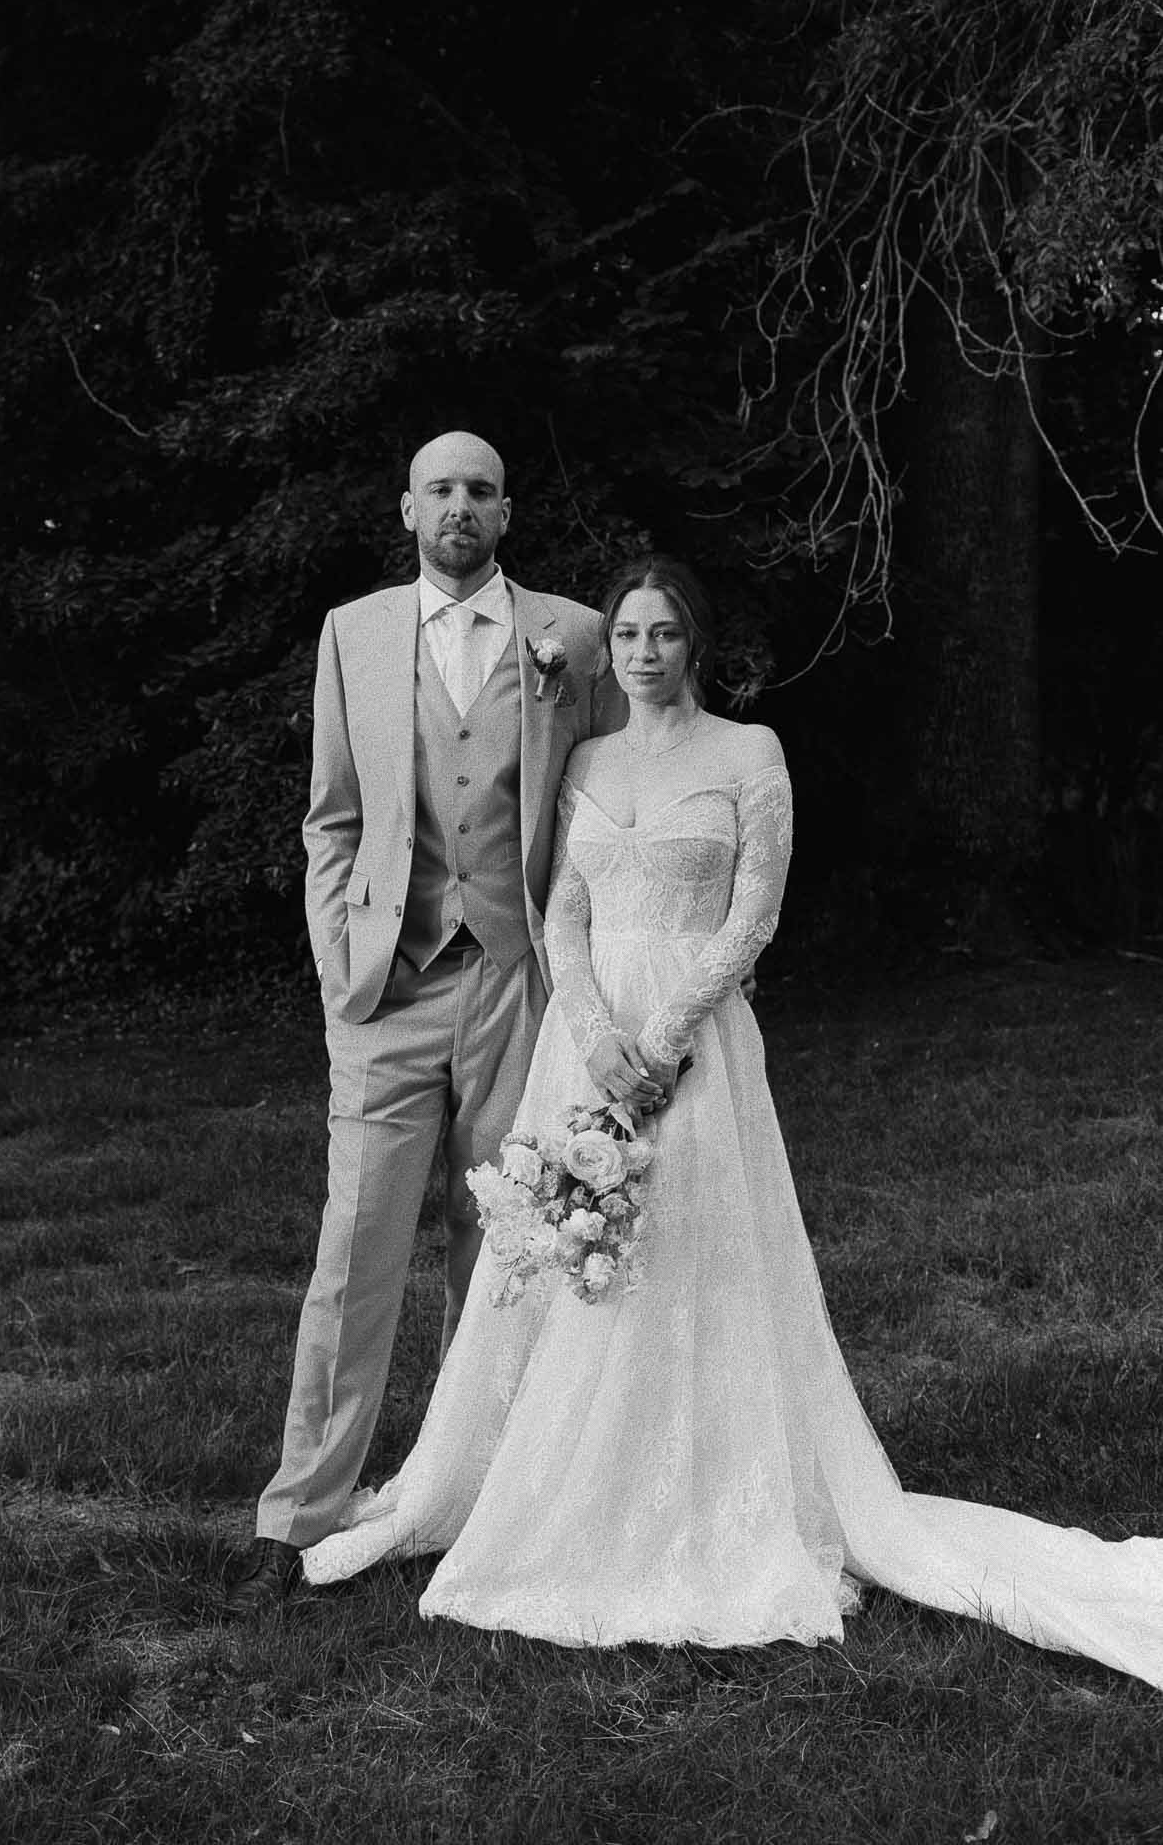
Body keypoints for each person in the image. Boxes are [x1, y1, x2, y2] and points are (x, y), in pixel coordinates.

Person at [302, 555, 1163, 1690]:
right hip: (587, 1034)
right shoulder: (589, 759)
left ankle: (710, 1493)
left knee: (692, 1255)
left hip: (695, 1042)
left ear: (692, 646)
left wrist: (659, 1042)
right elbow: (561, 910)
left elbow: (752, 915)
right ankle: (544, 1479)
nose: (643, 653)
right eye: (626, 636)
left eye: (662, 634)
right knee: (577, 1260)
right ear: (605, 651)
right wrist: (598, 1034)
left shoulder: (748, 754)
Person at [227, 431, 637, 1614]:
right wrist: (335, 959)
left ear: (507, 512)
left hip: (520, 979)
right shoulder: (351, 631)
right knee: (355, 1244)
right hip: (386, 984)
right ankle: (303, 1506)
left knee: (505, 1237)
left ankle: (479, 1488)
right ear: (406, 508)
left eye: (480, 490)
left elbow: (608, 804)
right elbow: (329, 819)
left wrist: (596, 966)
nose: (458, 507)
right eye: (439, 489)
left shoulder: (568, 632)